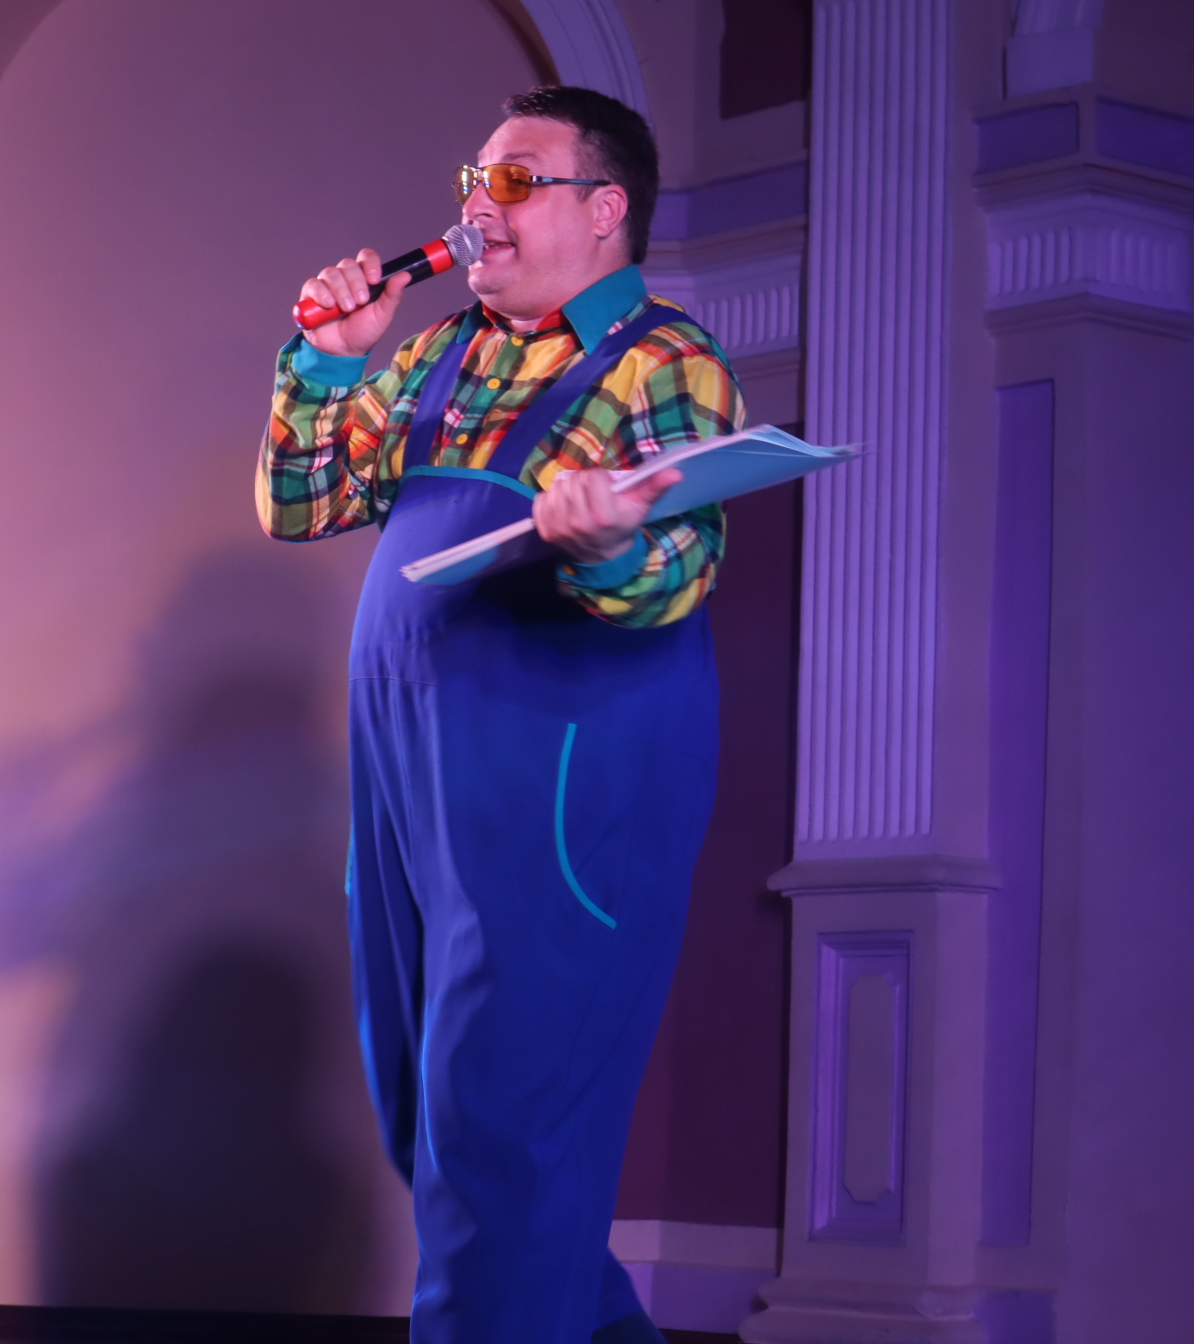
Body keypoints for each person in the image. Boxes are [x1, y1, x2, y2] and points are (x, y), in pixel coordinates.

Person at [259, 85, 739, 1344]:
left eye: (516, 181)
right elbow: (301, 505)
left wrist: (608, 547)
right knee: (438, 1128)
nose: (480, 206)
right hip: (410, 783)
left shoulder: (660, 362)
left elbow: (682, 573)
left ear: (606, 208)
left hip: (563, 790)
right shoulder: (438, 353)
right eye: (474, 181)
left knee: (500, 1141)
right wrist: (331, 357)